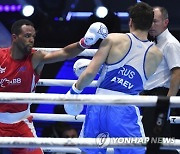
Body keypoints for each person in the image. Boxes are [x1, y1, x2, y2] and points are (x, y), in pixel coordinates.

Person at [65, 2, 162, 154]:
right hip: (126, 107)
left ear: (130, 21)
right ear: (150, 25)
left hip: (99, 104)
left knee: (90, 152)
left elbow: (90, 73)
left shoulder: (113, 39)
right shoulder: (157, 54)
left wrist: (74, 91)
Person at [0, 19, 108, 154]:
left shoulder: (36, 58)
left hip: (20, 125)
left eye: (33, 36)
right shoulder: (1, 57)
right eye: (27, 36)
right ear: (15, 38)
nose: (31, 40)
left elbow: (65, 53)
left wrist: (85, 42)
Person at [141, 6, 180, 154]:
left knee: (155, 142)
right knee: (155, 142)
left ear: (166, 22)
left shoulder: (170, 43)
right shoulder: (156, 43)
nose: (151, 25)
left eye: (155, 21)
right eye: (150, 21)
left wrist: (168, 103)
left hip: (161, 98)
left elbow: (177, 74)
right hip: (153, 98)